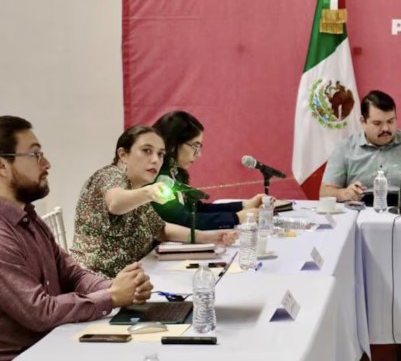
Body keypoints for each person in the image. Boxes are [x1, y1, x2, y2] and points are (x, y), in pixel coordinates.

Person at [0, 116, 154, 360]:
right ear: (2, 166)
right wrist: (112, 296)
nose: (47, 163)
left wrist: (117, 287)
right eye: (35, 155)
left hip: (55, 342)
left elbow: (73, 275)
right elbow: (40, 312)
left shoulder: (30, 218)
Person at [70, 125, 237, 278]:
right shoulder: (109, 175)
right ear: (123, 155)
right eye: (147, 151)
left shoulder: (138, 189)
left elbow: (161, 229)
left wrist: (208, 237)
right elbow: (115, 202)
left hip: (133, 278)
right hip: (96, 283)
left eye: (160, 154)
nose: (156, 160)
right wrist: (149, 192)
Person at [320, 90, 401, 203]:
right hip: (360, 213)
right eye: (377, 123)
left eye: (390, 121)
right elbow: (325, 192)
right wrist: (344, 193)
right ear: (363, 121)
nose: (386, 129)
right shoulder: (345, 148)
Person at [152, 110, 266, 229]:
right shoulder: (160, 178)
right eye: (195, 146)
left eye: (199, 147)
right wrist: (237, 218)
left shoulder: (175, 172)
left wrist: (245, 205)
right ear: (173, 143)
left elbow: (197, 209)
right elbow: (183, 221)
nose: (198, 155)